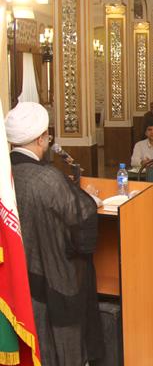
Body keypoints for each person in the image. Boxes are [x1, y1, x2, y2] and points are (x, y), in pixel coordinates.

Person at [6, 102, 104, 366]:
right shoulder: (47, 178)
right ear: (41, 138)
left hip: (22, 274)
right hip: (54, 278)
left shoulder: (6, 173)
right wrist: (90, 199)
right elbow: (82, 221)